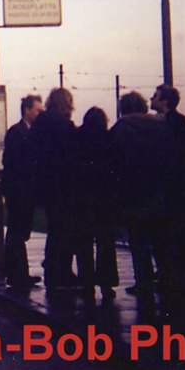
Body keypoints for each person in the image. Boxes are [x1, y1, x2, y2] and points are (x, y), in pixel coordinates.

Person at [110, 91, 175, 298]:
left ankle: (143, 282)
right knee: (161, 239)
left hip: (133, 193)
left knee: (138, 242)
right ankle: (167, 279)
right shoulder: (162, 126)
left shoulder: (120, 129)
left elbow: (115, 164)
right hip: (159, 190)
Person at [151, 84, 185, 283]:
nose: (151, 99)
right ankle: (178, 266)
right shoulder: (184, 123)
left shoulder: (161, 124)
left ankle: (168, 269)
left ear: (165, 101)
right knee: (177, 228)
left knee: (164, 230)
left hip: (167, 184)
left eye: (156, 96)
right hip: (181, 185)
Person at [29, 87, 78, 291]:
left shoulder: (39, 123)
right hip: (63, 184)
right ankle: (62, 271)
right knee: (64, 229)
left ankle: (52, 269)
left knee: (55, 228)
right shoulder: (65, 125)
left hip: (45, 184)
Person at [73, 107, 118, 299]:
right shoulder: (108, 139)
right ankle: (107, 283)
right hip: (104, 197)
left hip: (82, 197)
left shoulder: (77, 138)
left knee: (84, 242)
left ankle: (87, 283)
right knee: (106, 241)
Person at [1, 94, 44, 291]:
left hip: (26, 189)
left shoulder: (31, 132)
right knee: (17, 231)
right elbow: (11, 160)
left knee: (20, 231)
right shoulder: (16, 132)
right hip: (18, 189)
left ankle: (18, 273)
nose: (40, 113)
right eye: (37, 110)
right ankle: (17, 274)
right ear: (27, 110)